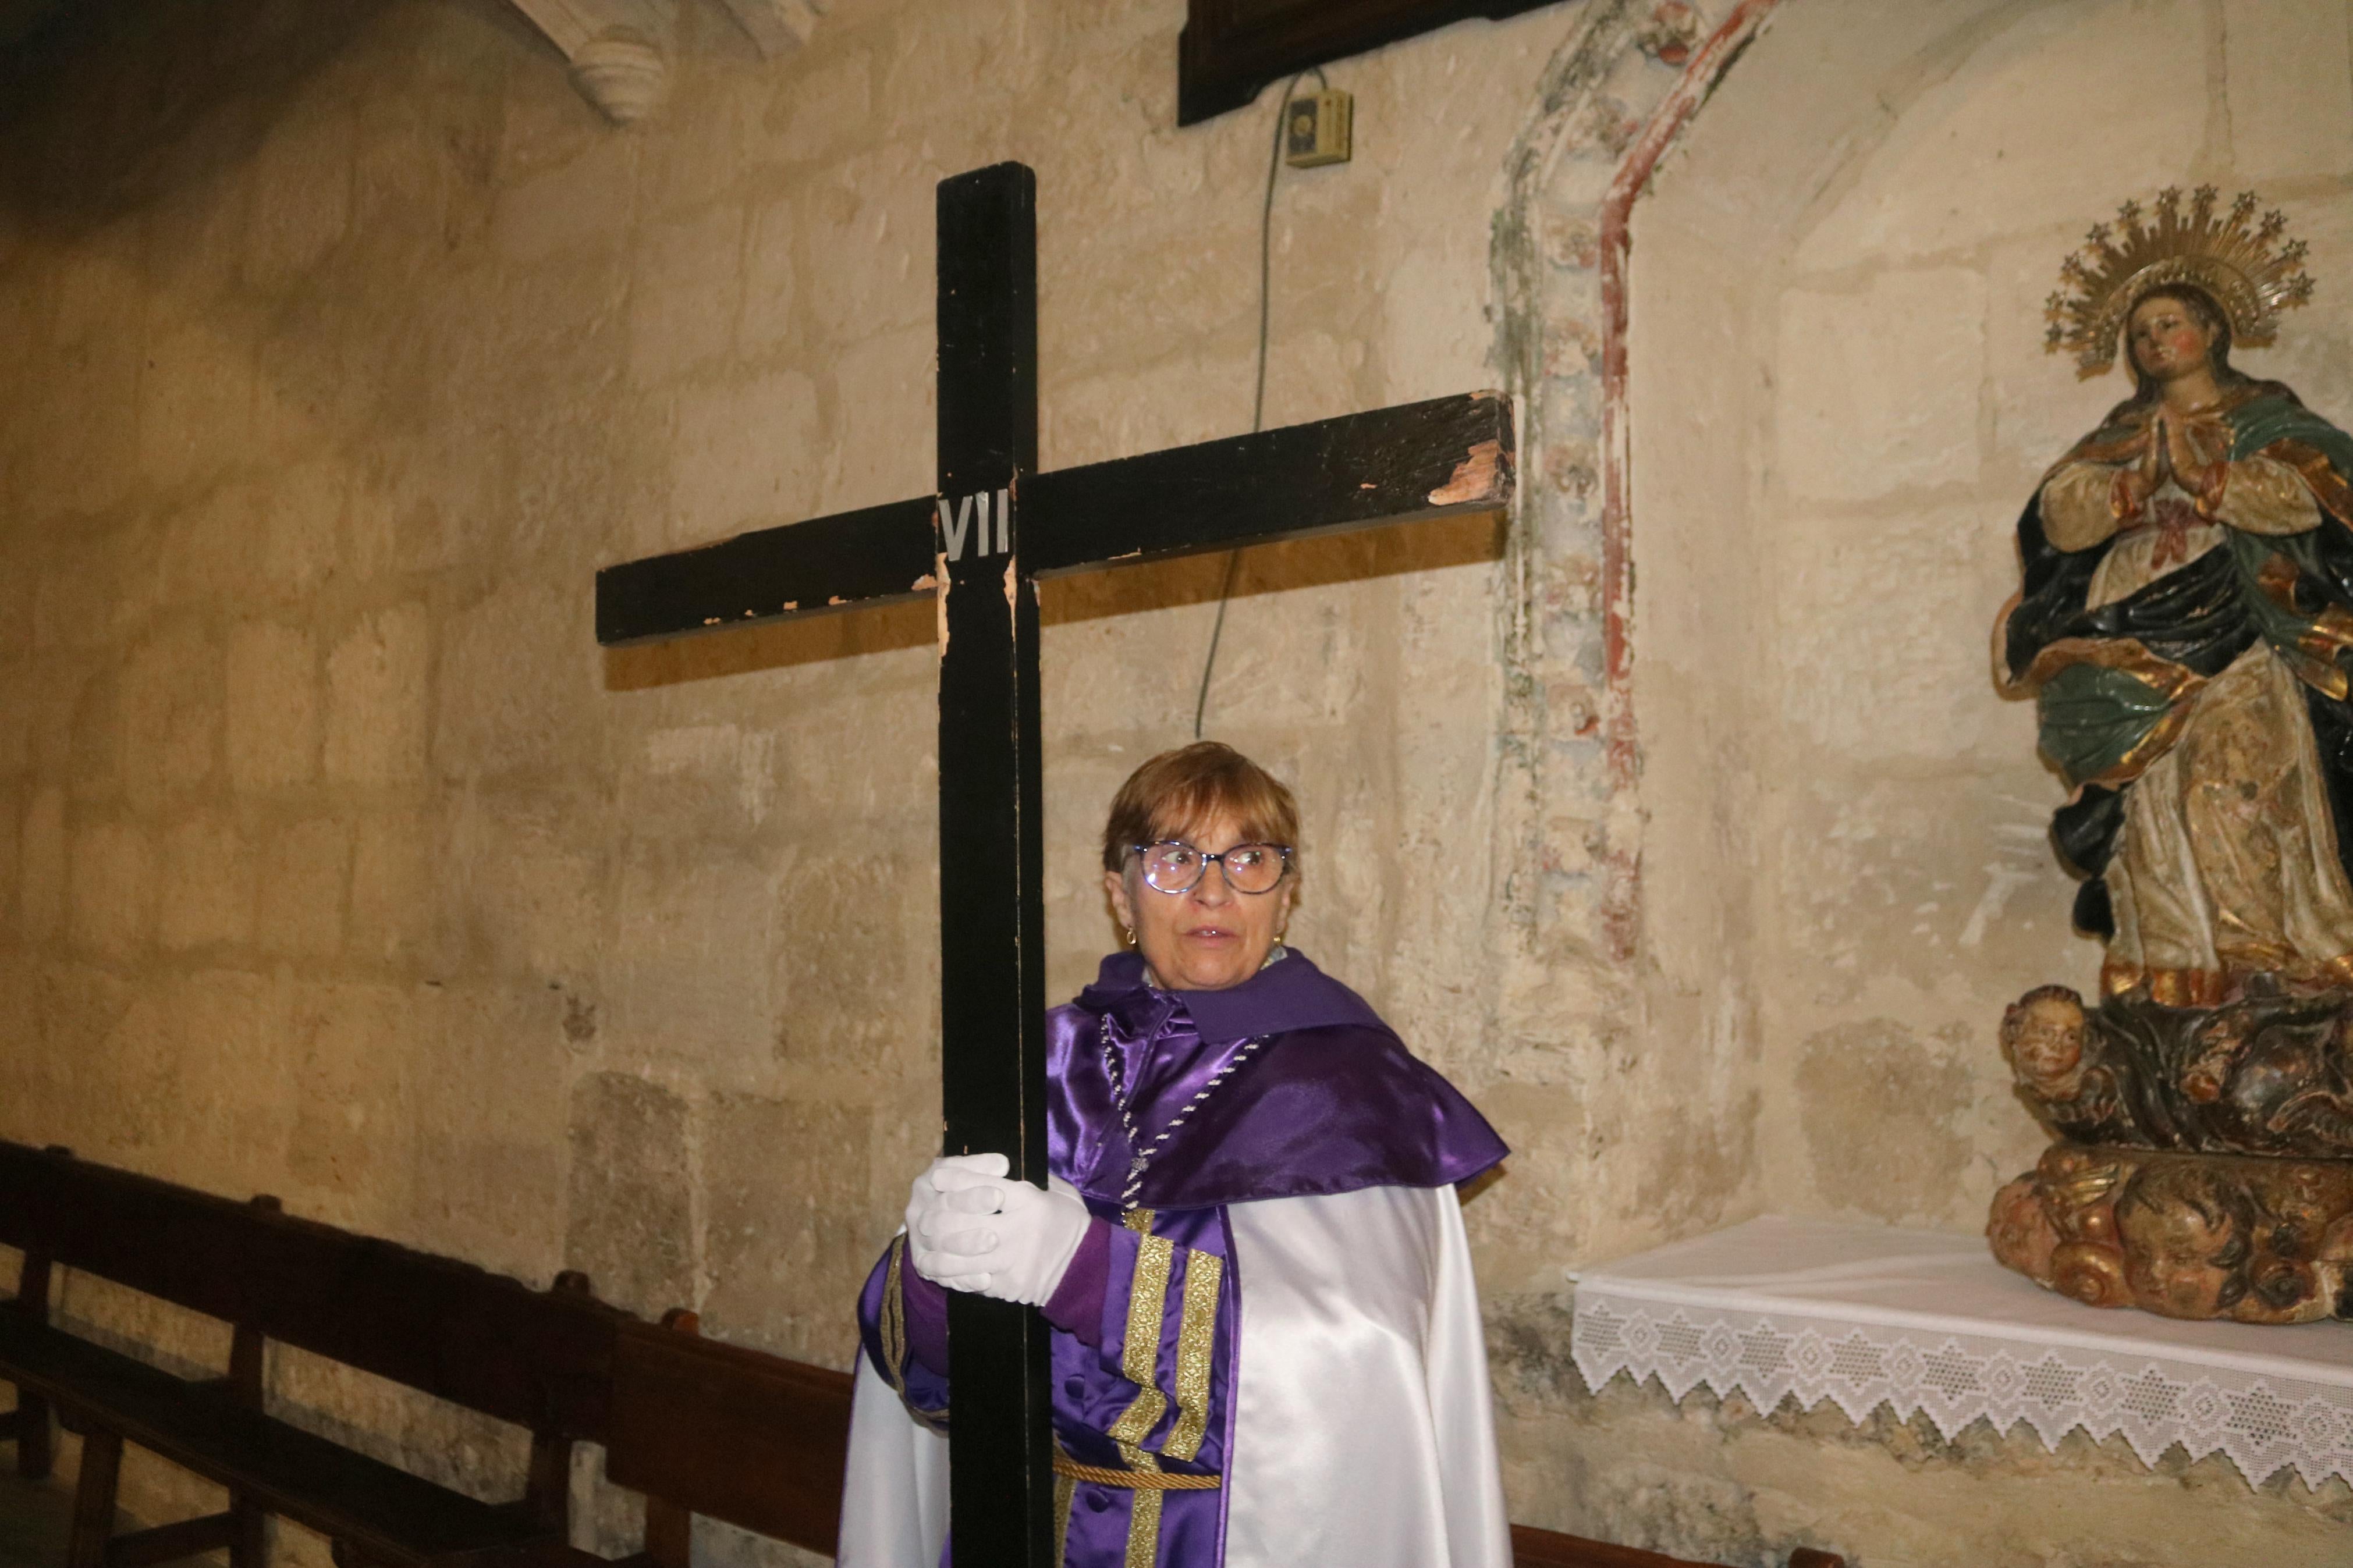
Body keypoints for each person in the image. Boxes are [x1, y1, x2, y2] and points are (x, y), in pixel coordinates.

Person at [836, 741, 1513, 1568]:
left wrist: (1084, 1269)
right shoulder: (1048, 1058)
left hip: (1230, 1537)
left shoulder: (1355, 1085)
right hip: (1029, 1521)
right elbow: (933, 1379)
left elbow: (1343, 1363)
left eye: (1248, 858)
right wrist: (930, 1278)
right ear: (1118, 892)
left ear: (1286, 894)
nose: (1212, 889)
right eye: (1173, 857)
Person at [1999, 278, 2353, 1005]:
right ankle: (2167, 959)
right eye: (2138, 333)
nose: (2153, 341)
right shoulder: (2118, 436)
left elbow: (2314, 495)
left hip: (2242, 619)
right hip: (2129, 626)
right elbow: (2060, 517)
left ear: (2213, 331)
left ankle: (2260, 955)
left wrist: (2210, 479)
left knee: (2232, 781)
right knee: (2145, 801)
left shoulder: (2264, 419)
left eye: (2168, 324)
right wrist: (2131, 486)